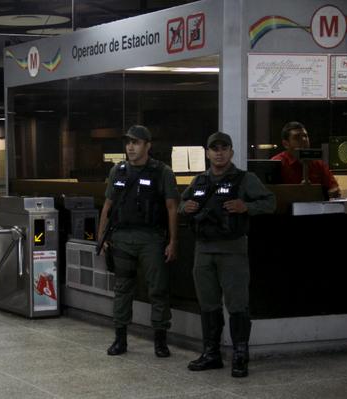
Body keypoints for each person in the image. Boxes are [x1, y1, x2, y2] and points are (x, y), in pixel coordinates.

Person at [179, 132, 276, 378]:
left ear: (231, 152)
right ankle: (211, 354)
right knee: (208, 304)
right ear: (208, 153)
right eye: (214, 149)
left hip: (232, 250)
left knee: (237, 305)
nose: (219, 153)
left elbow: (270, 202)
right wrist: (185, 207)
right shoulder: (199, 180)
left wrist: (247, 207)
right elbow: (183, 204)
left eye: (224, 148)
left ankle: (240, 355)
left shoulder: (245, 179)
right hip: (203, 251)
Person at [97, 125, 179, 357]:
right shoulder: (118, 171)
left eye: (136, 142)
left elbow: (172, 208)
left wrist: (174, 241)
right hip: (122, 238)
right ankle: (120, 339)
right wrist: (102, 237)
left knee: (158, 289)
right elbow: (108, 206)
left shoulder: (161, 171)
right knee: (122, 289)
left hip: (151, 238)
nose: (131, 147)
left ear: (147, 146)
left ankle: (160, 341)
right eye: (128, 143)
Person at [271, 121, 340, 198]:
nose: (304, 140)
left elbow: (334, 187)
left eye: (305, 136)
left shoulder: (318, 163)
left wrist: (331, 192)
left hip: (315, 207)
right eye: (297, 137)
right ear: (285, 144)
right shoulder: (277, 163)